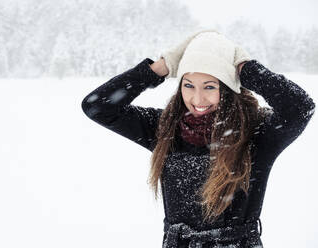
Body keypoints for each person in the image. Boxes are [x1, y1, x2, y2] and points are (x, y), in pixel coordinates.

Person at [81, 29, 315, 248]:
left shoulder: (255, 132)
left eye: (210, 86)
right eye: (189, 85)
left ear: (227, 88)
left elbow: (300, 107)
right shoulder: (165, 128)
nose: (197, 98)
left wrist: (247, 69)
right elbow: (97, 106)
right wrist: (157, 69)